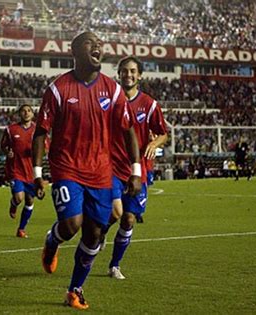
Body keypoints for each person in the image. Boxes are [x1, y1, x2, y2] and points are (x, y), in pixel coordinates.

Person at [32, 32, 142, 310]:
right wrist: (36, 173)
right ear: (75, 50)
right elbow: (41, 132)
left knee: (94, 234)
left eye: (100, 44)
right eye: (89, 43)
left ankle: (74, 290)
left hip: (100, 172)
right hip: (67, 167)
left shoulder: (113, 90)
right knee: (71, 225)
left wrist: (136, 170)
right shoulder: (58, 89)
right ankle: (52, 239)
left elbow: (129, 130)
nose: (97, 46)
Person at [103, 55, 167, 280]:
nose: (128, 75)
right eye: (124, 71)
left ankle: (114, 265)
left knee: (128, 219)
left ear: (139, 75)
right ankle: (101, 232)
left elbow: (163, 133)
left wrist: (153, 142)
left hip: (139, 170)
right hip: (111, 166)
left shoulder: (149, 104)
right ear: (119, 74)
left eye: (132, 71)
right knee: (115, 211)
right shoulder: (109, 101)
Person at [0, 104, 36, 238]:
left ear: (32, 114)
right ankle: (13, 204)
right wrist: (7, 151)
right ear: (19, 114)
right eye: (23, 111)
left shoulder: (38, 130)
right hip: (15, 170)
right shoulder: (11, 129)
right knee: (19, 197)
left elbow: (46, 147)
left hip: (31, 172)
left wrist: (37, 151)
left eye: (29, 111)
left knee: (30, 201)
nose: (26, 113)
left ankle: (21, 229)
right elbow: (3, 145)